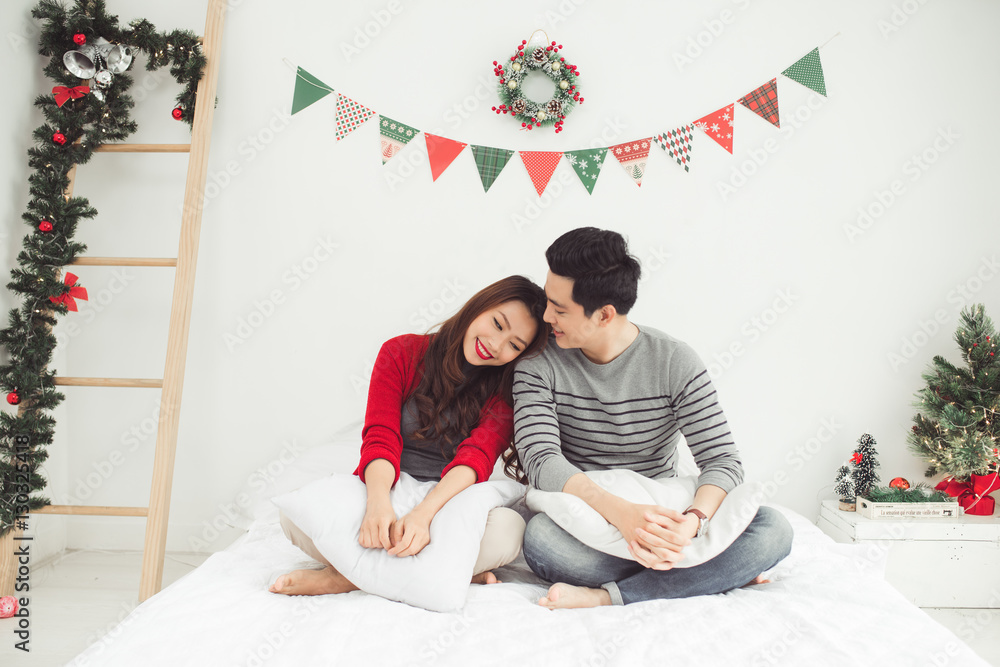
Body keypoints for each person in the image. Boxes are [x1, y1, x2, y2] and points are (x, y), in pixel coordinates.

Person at [512, 227, 793, 609]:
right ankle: (710, 573)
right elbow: (541, 461)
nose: (546, 317)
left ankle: (609, 596)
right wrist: (624, 515)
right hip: (586, 519)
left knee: (773, 530)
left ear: (604, 314)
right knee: (542, 540)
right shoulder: (538, 363)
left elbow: (722, 461)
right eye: (549, 302)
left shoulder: (673, 361)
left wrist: (692, 523)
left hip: (662, 513)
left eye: (560, 309)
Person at [270, 275, 548, 597]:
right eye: (498, 324)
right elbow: (380, 436)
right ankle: (439, 571)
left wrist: (423, 515)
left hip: (447, 501)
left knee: (508, 532)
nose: (497, 346)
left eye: (514, 345)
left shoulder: (505, 391)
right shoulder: (401, 352)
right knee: (295, 516)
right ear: (478, 307)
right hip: (384, 486)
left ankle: (346, 578)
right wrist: (377, 505)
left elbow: (476, 458)